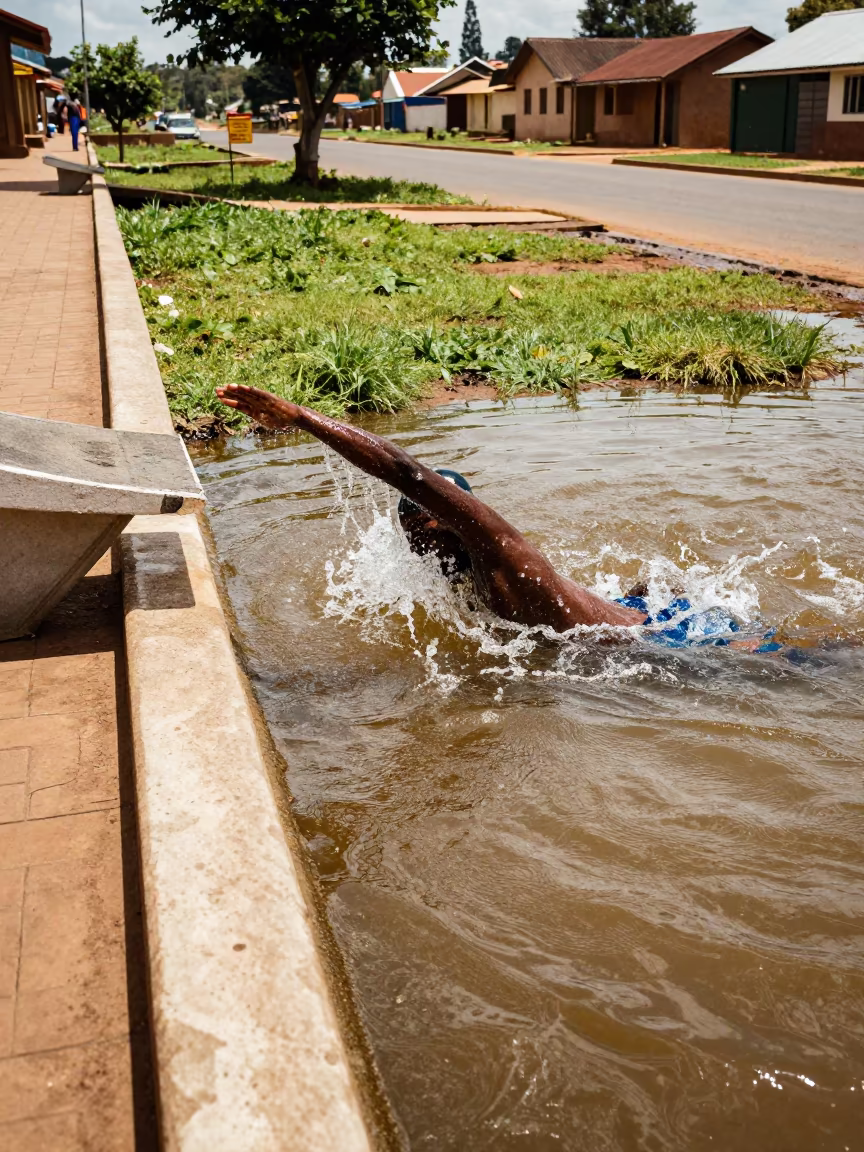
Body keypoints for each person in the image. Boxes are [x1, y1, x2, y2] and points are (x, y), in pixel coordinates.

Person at [216, 385, 784, 649]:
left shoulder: (499, 552)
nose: (416, 552)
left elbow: (405, 473)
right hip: (632, 613)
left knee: (806, 668)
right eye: (408, 538)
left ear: (450, 522)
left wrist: (303, 418)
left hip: (671, 644)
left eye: (421, 535)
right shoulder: (464, 571)